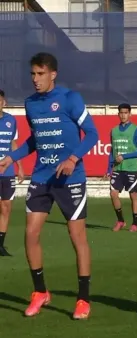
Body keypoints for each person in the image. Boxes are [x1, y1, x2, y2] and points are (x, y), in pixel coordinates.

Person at [0, 52, 98, 319]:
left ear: (53, 74)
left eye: (40, 74)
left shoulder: (70, 99)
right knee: (30, 234)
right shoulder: (31, 104)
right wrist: (13, 156)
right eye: (32, 73)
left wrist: (73, 158)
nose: (35, 79)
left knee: (77, 237)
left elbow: (92, 134)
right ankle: (40, 292)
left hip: (70, 179)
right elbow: (35, 140)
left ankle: (83, 299)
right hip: (42, 177)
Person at [104, 103, 137, 232]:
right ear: (118, 114)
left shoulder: (136, 130)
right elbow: (112, 151)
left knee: (133, 195)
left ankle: (135, 224)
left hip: (131, 168)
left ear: (130, 114)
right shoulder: (114, 131)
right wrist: (108, 169)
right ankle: (120, 220)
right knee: (113, 193)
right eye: (121, 113)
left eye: (126, 113)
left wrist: (125, 156)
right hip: (118, 169)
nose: (123, 115)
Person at [0, 89, 25, 256]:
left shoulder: (11, 120)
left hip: (7, 171)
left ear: (4, 102)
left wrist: (20, 167)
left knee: (6, 207)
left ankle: (0, 245)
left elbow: (13, 144)